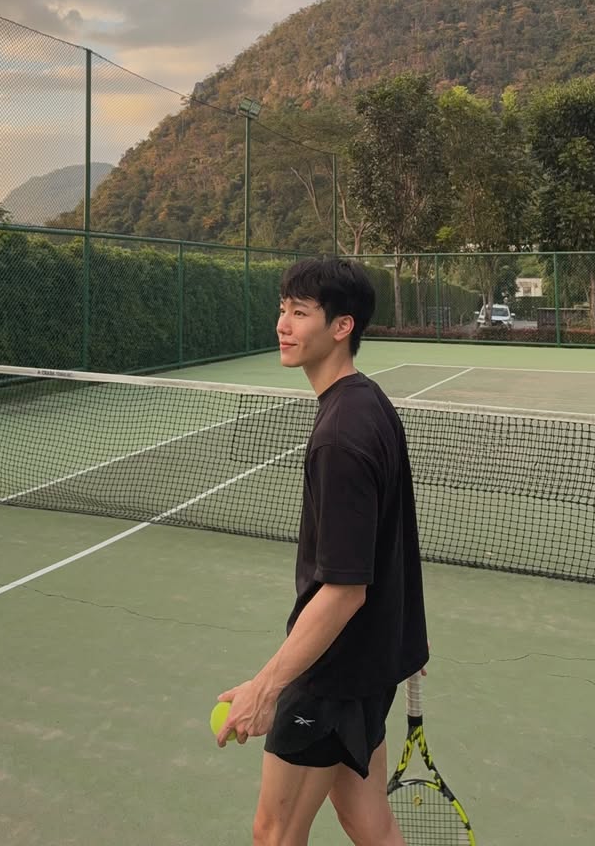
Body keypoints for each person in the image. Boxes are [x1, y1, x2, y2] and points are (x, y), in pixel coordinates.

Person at [216, 257, 429, 846]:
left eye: (300, 313)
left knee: (274, 833)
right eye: (283, 309)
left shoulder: (340, 436)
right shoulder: (369, 402)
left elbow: (344, 590)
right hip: (368, 666)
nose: (283, 325)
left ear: (342, 326)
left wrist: (266, 687)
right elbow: (394, 539)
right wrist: (403, 639)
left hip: (332, 677)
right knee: (367, 819)